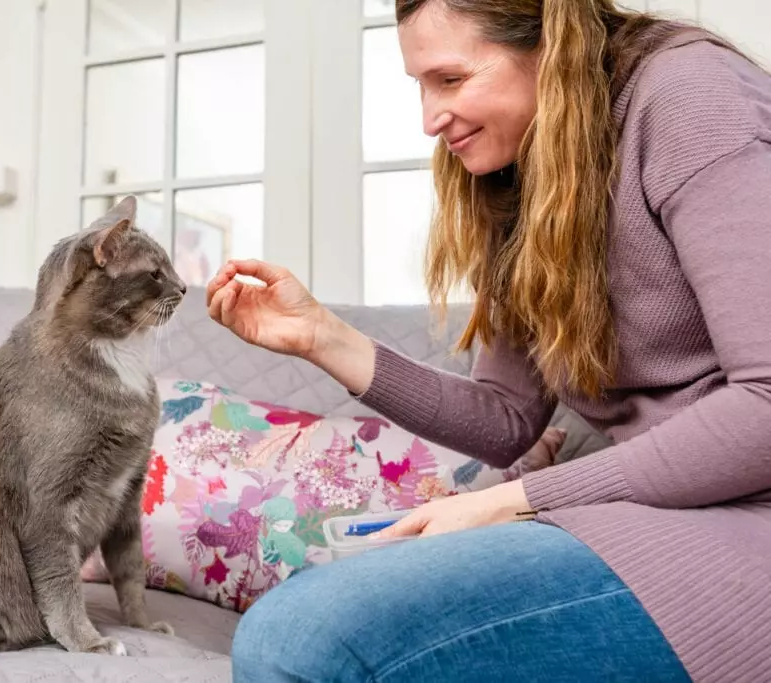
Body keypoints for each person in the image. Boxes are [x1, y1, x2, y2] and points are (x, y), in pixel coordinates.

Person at [206, 0, 771, 681]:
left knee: (300, 640)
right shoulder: (527, 169)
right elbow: (507, 418)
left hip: (743, 529)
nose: (428, 119)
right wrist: (321, 336)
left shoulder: (690, 97)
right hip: (645, 516)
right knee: (306, 605)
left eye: (450, 79)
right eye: (420, 85)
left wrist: (515, 499)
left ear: (550, 44)